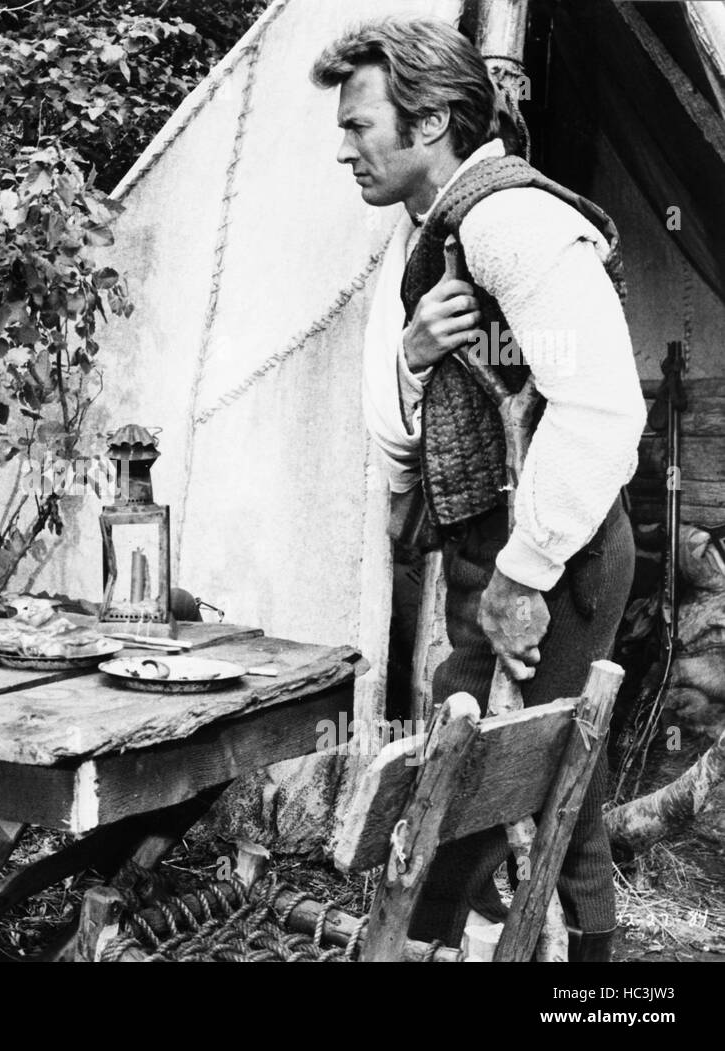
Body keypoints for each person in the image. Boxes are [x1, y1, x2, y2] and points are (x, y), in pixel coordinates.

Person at [312, 18, 647, 960]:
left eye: (360, 125)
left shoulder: (511, 220)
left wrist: (523, 573)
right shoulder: (431, 235)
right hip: (495, 553)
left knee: (482, 796)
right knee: (538, 787)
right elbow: (397, 440)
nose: (345, 150)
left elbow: (601, 408)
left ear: (431, 121)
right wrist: (417, 354)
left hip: (552, 555)